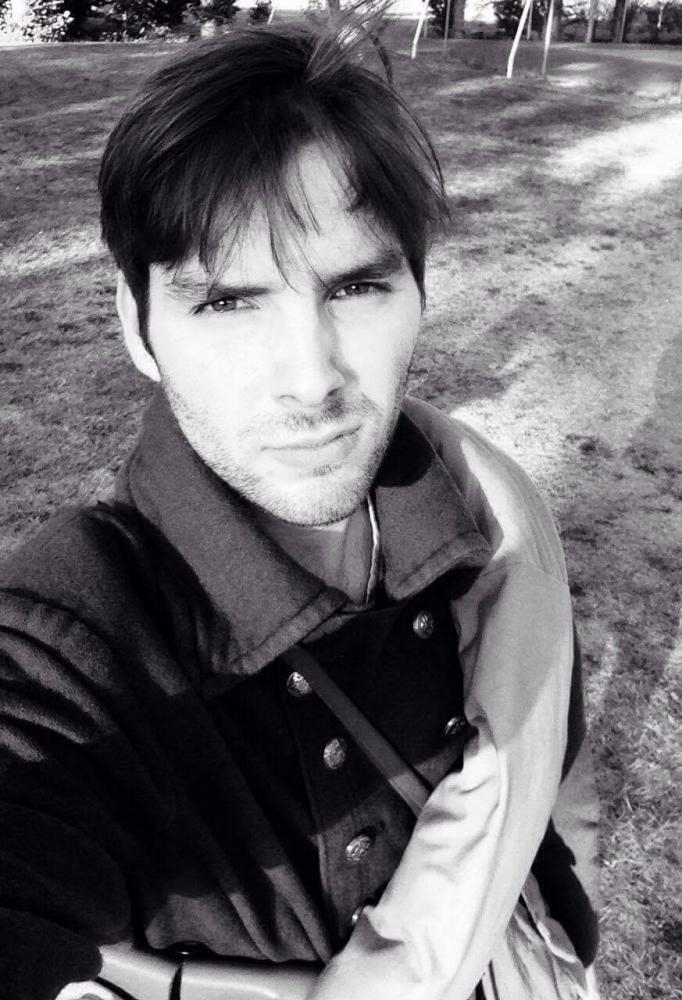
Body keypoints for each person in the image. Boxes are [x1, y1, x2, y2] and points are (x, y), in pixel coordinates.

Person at [0, 18, 600, 1000]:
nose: (313, 377)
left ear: (418, 292)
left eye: (355, 286)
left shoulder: (492, 529)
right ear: (137, 325)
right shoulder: (73, 642)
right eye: (229, 302)